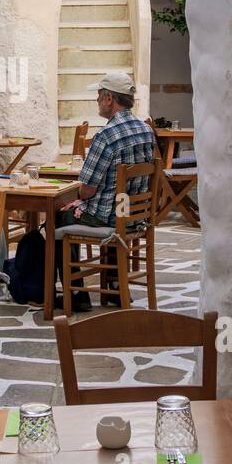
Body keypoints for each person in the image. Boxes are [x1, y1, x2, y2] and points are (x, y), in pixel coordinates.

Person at [56, 70, 157, 309]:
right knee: (107, 209)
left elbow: (88, 190)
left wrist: (76, 198)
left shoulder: (105, 135)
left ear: (109, 99)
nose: (97, 100)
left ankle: (77, 294)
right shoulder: (145, 130)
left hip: (110, 218)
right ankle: (113, 288)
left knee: (57, 217)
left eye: (99, 95)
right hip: (135, 216)